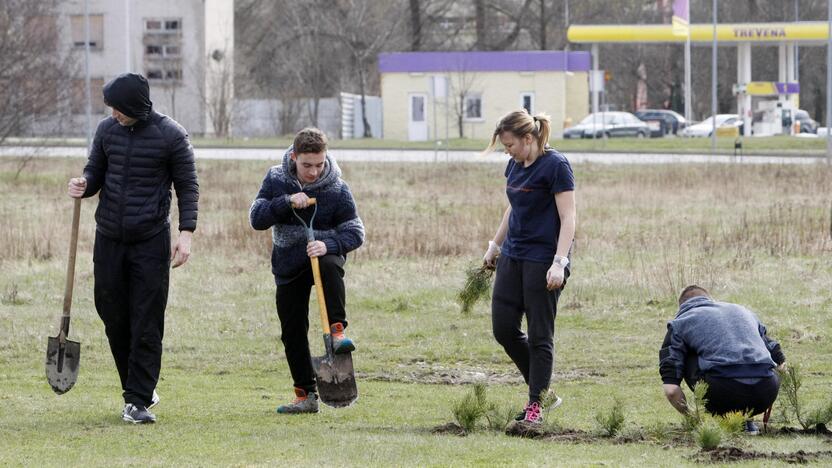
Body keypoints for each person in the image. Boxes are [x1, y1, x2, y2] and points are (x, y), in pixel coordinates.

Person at [67, 73, 199, 424]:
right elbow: (95, 173)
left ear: (135, 106)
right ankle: (138, 385)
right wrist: (83, 183)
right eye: (110, 107)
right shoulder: (106, 131)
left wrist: (186, 234)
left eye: (118, 108)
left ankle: (136, 400)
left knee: (146, 318)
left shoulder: (172, 135)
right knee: (110, 311)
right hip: (108, 235)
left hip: (150, 240)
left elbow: (188, 187)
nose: (113, 114)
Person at [250, 128, 364, 414]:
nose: (314, 172)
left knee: (329, 261)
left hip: (323, 261)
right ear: (294, 157)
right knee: (292, 330)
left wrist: (329, 244)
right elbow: (257, 218)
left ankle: (337, 333)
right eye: (307, 165)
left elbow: (355, 231)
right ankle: (305, 396)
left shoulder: (337, 188)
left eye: (319, 165)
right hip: (288, 263)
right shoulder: (276, 178)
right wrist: (286, 201)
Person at [482, 110, 576, 426]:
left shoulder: (556, 166)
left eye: (509, 145)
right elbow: (513, 207)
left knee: (539, 336)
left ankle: (535, 404)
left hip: (543, 260)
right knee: (504, 329)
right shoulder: (514, 165)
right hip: (513, 256)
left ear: (528, 138)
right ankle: (544, 390)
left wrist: (559, 263)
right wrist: (494, 246)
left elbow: (569, 218)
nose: (507, 151)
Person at [659, 285, 786, 434]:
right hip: (766, 393)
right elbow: (778, 355)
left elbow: (671, 390)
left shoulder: (680, 322)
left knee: (686, 354)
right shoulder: (743, 311)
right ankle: (745, 421)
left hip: (722, 394)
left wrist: (694, 419)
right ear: (709, 299)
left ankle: (726, 419)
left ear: (681, 306)